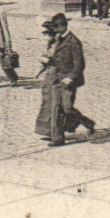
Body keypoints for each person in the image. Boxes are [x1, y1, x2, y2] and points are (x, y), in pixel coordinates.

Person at [35, 13, 95, 145]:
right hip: (56, 78)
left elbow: (80, 65)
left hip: (68, 80)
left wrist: (70, 78)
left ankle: (87, 122)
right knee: (57, 108)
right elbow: (54, 56)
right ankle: (57, 137)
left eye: (56, 27)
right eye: (54, 27)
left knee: (67, 108)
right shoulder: (58, 39)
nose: (54, 29)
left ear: (64, 25)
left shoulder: (74, 42)